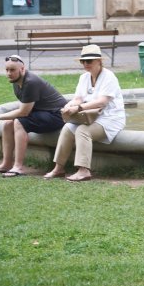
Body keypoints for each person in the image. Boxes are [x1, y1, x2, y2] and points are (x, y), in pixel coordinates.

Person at [43, 44, 126, 182]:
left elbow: (102, 102)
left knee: (82, 131)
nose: (85, 64)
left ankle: (84, 170)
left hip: (110, 119)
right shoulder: (84, 78)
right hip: (91, 117)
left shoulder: (109, 77)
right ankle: (58, 168)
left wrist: (79, 108)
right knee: (68, 128)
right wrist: (68, 106)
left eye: (89, 61)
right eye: (83, 61)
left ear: (99, 61)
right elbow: (78, 98)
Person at [0, 55, 66, 177]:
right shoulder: (16, 81)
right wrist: (6, 118)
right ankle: (6, 164)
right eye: (7, 70)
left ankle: (18, 167)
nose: (8, 73)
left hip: (57, 116)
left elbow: (24, 112)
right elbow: (26, 107)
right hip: (42, 112)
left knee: (18, 122)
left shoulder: (30, 82)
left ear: (22, 69)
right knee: (8, 124)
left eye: (12, 70)